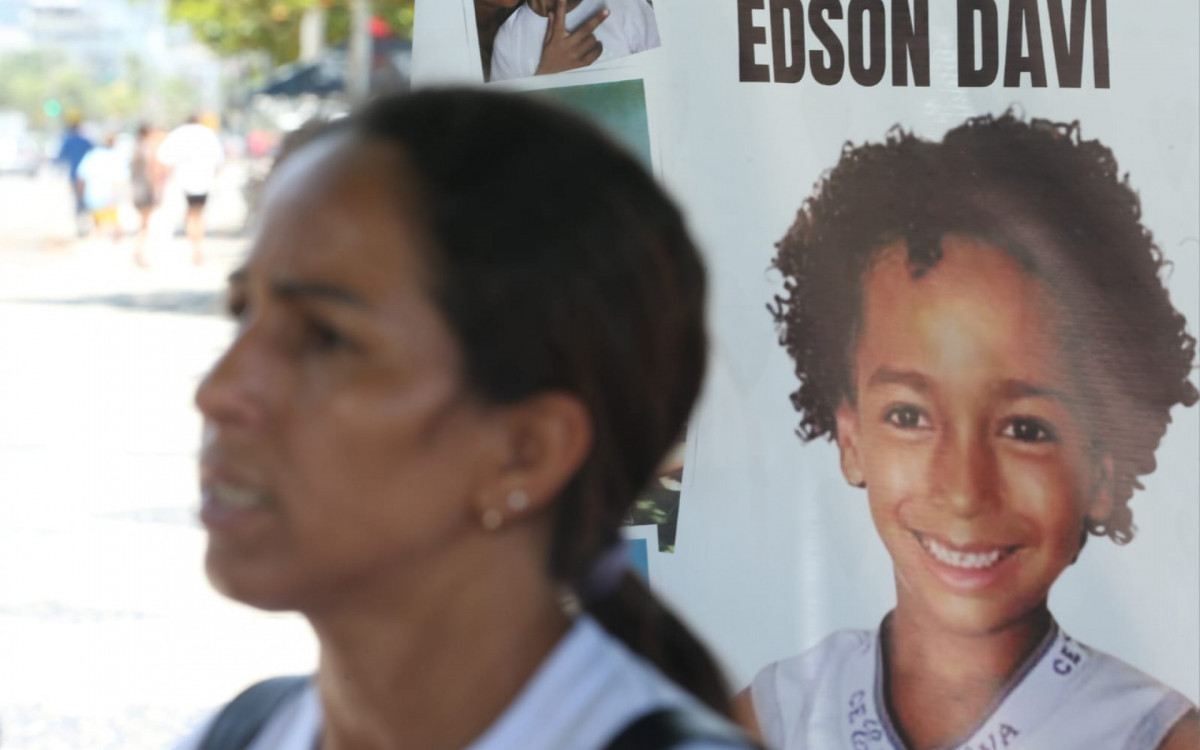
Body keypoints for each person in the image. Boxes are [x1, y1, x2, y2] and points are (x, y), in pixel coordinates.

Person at [176, 90, 759, 750]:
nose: (220, 393)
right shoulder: (242, 732)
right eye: (240, 312)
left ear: (524, 453)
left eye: (326, 339)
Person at [748, 113, 1200, 749]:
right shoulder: (778, 717)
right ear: (851, 440)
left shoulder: (1151, 735)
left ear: (1103, 469)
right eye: (908, 416)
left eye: (1025, 428)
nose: (963, 491)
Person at [491, 0, 659, 82]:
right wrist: (548, 76)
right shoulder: (508, 38)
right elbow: (511, 129)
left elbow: (670, 84)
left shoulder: (625, 6)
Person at [157, 114, 224, 265]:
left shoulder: (179, 133)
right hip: (205, 181)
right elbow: (219, 159)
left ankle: (195, 246)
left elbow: (163, 157)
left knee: (191, 215)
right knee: (198, 214)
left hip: (186, 181)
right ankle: (197, 246)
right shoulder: (207, 134)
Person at [74, 134, 126, 245]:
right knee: (113, 226)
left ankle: (93, 246)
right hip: (109, 195)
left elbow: (81, 177)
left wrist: (80, 194)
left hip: (92, 195)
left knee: (98, 224)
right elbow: (119, 179)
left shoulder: (92, 155)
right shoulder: (115, 156)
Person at [130, 123, 164, 267]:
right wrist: (158, 190)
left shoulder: (135, 149)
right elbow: (153, 171)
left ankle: (139, 250)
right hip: (145, 189)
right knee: (145, 224)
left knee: (143, 223)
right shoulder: (148, 149)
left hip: (136, 189)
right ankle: (140, 251)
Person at [55, 111, 93, 235]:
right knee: (86, 200)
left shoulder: (68, 141)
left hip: (75, 176)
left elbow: (60, 158)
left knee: (78, 201)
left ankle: (81, 227)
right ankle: (86, 226)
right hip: (86, 176)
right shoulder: (85, 141)